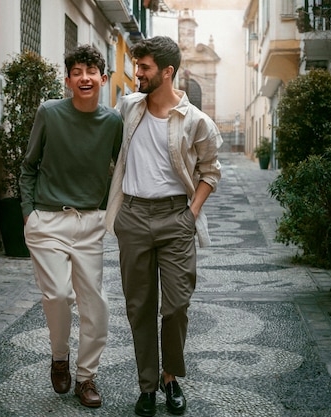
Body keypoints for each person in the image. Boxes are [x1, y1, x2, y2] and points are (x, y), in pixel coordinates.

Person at [105, 36, 222, 416]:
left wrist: (191, 215)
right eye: (137, 66)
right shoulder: (128, 108)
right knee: (139, 307)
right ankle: (148, 387)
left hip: (175, 218)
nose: (136, 73)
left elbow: (210, 171)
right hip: (134, 216)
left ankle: (171, 377)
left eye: (144, 68)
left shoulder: (196, 121)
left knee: (175, 306)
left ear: (167, 72)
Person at [19, 45, 123, 408]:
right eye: (77, 71)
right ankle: (59, 356)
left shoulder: (112, 122)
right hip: (47, 220)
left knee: (96, 305)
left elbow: (122, 170)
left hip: (90, 223)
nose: (84, 77)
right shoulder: (49, 112)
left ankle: (86, 377)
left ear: (103, 79)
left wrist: (111, 212)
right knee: (59, 295)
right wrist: (28, 212)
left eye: (91, 71)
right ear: (67, 80)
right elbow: (29, 164)